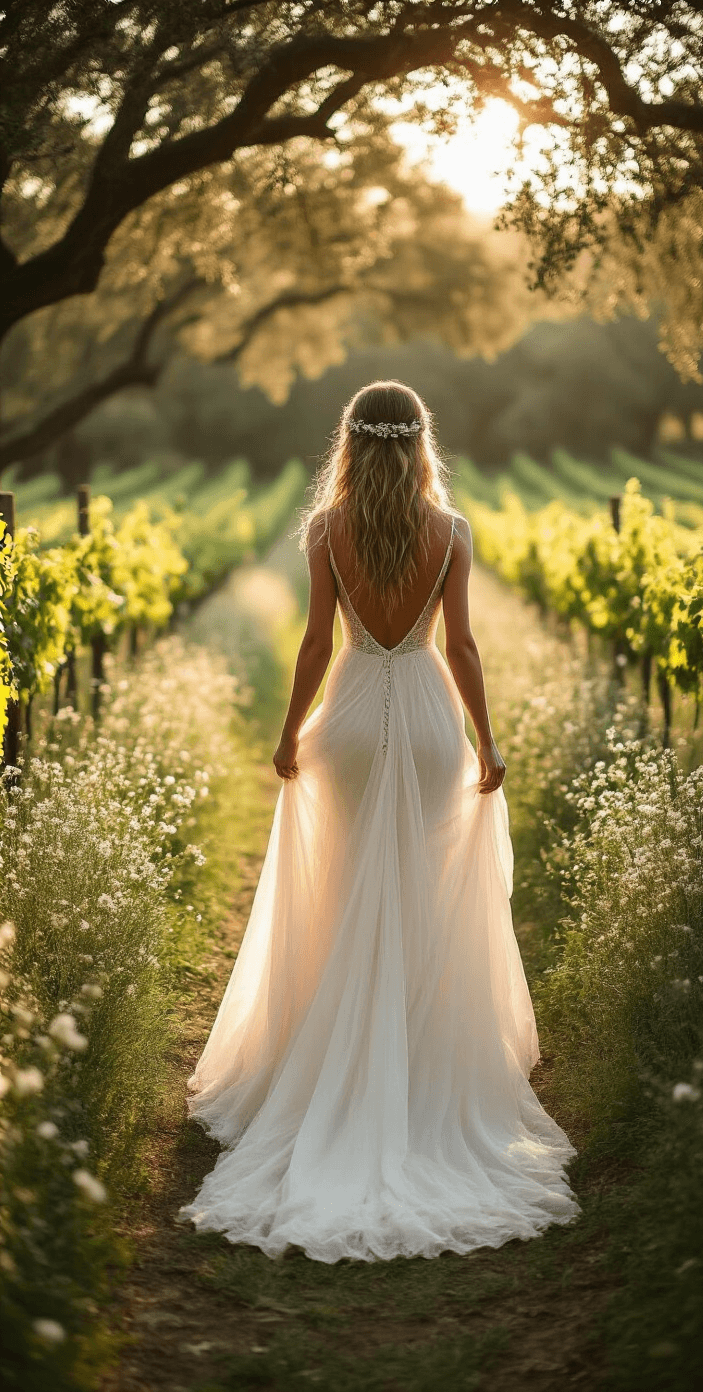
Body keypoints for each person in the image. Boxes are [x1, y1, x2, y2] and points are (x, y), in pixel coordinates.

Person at [179, 380, 579, 1262]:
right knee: (423, 894)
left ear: (351, 444)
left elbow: (318, 644)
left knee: (346, 888)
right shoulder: (454, 533)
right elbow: (464, 647)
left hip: (355, 719)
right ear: (422, 439)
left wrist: (289, 732)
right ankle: (419, 1063)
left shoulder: (327, 529)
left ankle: (335, 1062)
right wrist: (487, 740)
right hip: (433, 723)